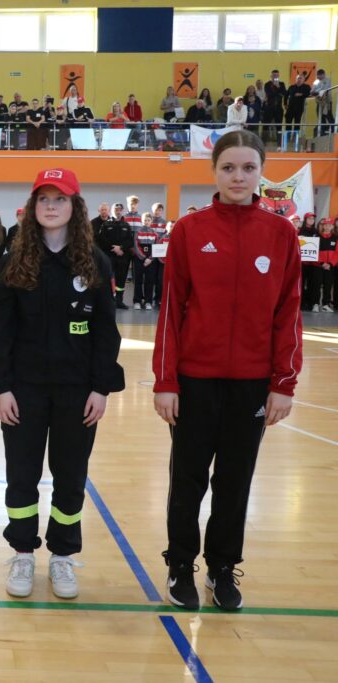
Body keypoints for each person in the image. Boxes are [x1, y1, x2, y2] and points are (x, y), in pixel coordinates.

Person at [153, 130, 302, 612]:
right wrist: (165, 380)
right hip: (194, 381)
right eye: (229, 168)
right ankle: (180, 564)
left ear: (262, 173)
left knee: (235, 481)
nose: (239, 177)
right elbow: (171, 310)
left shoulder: (281, 234)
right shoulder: (189, 230)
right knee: (188, 479)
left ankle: (222, 567)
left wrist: (283, 383)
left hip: (252, 385)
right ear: (214, 171)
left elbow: (289, 312)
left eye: (248, 168)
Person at [0, 167, 125, 600]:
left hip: (77, 393)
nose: (51, 206)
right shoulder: (14, 261)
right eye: (43, 199)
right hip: (23, 391)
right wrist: (2, 387)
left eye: (60, 199)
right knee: (21, 475)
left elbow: (106, 333)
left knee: (70, 476)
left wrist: (100, 388)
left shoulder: (95, 262)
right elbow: (0, 331)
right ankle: (23, 552)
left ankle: (62, 556)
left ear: (74, 206)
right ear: (32, 208)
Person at [132, 212, 158, 310]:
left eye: (148, 220)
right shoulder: (137, 232)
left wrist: (150, 259)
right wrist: (143, 258)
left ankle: (148, 301)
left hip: (151, 260)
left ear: (151, 221)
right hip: (139, 259)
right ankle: (137, 301)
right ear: (142, 221)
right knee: (138, 280)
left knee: (149, 281)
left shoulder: (155, 233)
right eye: (145, 220)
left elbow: (156, 247)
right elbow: (136, 246)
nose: (146, 222)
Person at [262, 69, 287, 142]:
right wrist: (279, 92)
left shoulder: (282, 84)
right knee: (266, 125)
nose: (275, 77)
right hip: (269, 107)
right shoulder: (267, 84)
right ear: (271, 76)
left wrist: (278, 87)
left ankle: (279, 142)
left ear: (279, 76)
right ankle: (263, 142)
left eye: (276, 75)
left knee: (279, 126)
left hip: (278, 108)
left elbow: (284, 93)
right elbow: (269, 93)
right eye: (274, 75)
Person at [319, 218, 337, 312]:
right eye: (325, 225)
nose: (327, 227)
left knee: (328, 285)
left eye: (329, 225)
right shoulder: (317, 237)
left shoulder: (335, 238)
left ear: (332, 227)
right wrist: (321, 263)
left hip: (330, 266)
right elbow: (315, 251)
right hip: (319, 265)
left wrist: (330, 264)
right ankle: (315, 303)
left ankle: (326, 304)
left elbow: (337, 253)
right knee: (316, 285)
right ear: (323, 226)